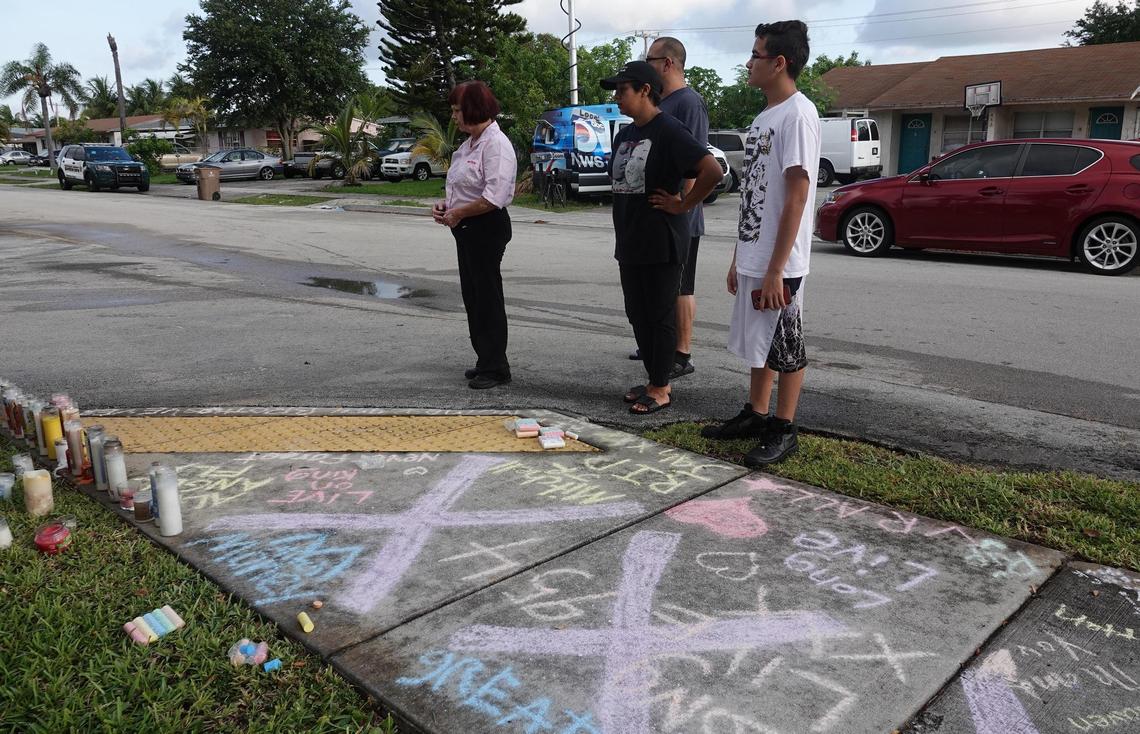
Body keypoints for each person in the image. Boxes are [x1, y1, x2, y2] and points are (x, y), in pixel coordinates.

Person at [700, 20, 821, 466]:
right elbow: (754, 193)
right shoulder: (764, 117)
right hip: (756, 252)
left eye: (755, 55)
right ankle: (755, 413)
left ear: (779, 62)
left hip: (782, 261)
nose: (748, 63)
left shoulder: (799, 115)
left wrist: (775, 268)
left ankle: (784, 428)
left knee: (786, 343)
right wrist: (739, 255)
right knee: (759, 340)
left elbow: (797, 194)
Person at [601, 61, 724, 415]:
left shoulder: (669, 129)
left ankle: (661, 387)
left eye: (622, 89)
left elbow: (711, 170)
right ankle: (653, 377)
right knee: (636, 313)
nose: (616, 97)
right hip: (630, 239)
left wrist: (683, 204)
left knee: (659, 315)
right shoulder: (625, 135)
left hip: (661, 240)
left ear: (644, 90)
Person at [432, 81, 518, 390]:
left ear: (473, 109)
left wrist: (458, 213)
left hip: (486, 226)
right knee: (473, 297)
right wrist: (446, 207)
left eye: (457, 110)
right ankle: (485, 360)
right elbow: (463, 187)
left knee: (487, 298)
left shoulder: (496, 144)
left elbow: (493, 197)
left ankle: (497, 367)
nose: (454, 117)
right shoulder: (470, 144)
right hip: (466, 227)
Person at [641, 36, 709, 381]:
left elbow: (697, 164)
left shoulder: (689, 103)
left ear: (667, 63)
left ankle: (682, 354)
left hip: (682, 217)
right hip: (658, 215)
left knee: (682, 286)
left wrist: (683, 206)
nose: (646, 63)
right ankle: (658, 343)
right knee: (660, 286)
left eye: (650, 58)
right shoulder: (662, 102)